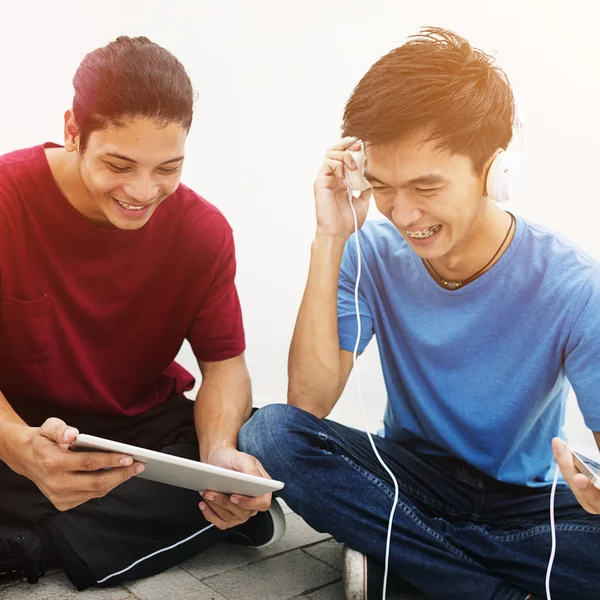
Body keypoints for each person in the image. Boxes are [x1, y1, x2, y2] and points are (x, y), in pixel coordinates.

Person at [238, 27, 600, 600]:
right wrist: (329, 237)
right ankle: (480, 582)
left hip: (525, 507)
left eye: (426, 186)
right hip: (407, 477)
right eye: (383, 186)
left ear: (495, 171)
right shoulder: (368, 252)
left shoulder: (576, 287)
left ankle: (402, 552)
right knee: (271, 432)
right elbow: (306, 406)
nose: (404, 214)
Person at [0, 35, 284, 591]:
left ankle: (29, 544)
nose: (142, 191)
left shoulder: (203, 232)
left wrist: (219, 453)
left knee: (257, 447)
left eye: (167, 168)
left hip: (136, 437)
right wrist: (16, 445)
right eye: (119, 164)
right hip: (18, 423)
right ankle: (147, 530)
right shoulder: (7, 199)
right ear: (72, 133)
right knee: (200, 500)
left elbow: (225, 365)